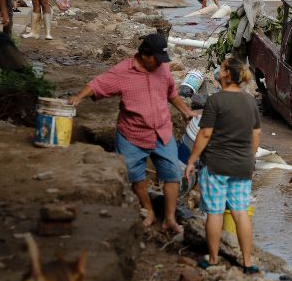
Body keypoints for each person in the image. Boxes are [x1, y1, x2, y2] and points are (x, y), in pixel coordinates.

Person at [68, 34, 197, 233]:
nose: (160, 64)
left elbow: (171, 93)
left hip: (162, 132)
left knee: (172, 174)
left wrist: (186, 111)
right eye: (156, 59)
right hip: (132, 135)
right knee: (135, 175)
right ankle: (149, 211)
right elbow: (97, 85)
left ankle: (169, 219)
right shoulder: (122, 71)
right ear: (144, 55)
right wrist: (78, 97)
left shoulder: (162, 69)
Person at [185, 57, 261, 274]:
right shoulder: (249, 102)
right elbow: (256, 134)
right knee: (240, 212)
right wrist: (249, 157)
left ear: (227, 74)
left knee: (216, 213)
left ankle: (214, 260)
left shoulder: (215, 101)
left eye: (221, 68)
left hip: (216, 166)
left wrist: (191, 161)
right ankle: (247, 263)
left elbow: (205, 133)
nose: (218, 70)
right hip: (242, 167)